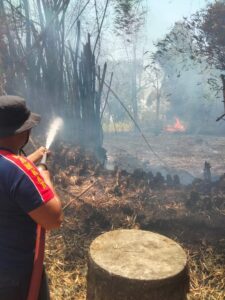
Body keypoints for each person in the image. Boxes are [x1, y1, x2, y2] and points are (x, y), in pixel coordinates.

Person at [0, 95, 63, 300]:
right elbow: (53, 220)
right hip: (14, 277)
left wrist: (33, 158)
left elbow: (9, 173)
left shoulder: (12, 166)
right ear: (21, 132)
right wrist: (45, 178)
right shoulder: (20, 171)